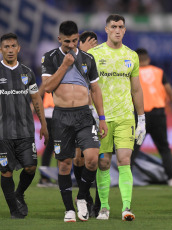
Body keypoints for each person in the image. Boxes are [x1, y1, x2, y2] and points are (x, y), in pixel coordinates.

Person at [41, 21, 108, 222]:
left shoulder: (88, 58)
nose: (72, 45)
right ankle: (69, 209)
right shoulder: (50, 58)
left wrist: (102, 118)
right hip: (61, 115)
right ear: (59, 39)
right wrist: (64, 65)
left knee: (92, 159)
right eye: (68, 41)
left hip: (84, 115)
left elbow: (95, 90)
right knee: (64, 165)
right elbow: (47, 87)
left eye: (75, 40)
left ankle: (81, 197)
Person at [88, 14, 146, 221]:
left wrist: (142, 119)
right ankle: (103, 207)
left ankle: (126, 208)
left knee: (124, 160)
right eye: (114, 26)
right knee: (103, 163)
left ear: (125, 30)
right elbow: (88, 87)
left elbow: (137, 90)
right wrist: (92, 112)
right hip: (101, 118)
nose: (118, 30)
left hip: (124, 117)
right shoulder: (94, 54)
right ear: (106, 29)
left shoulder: (132, 56)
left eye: (121, 26)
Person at [0, 33, 49, 219]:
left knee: (30, 168)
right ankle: (14, 210)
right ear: (1, 50)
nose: (10, 50)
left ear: (19, 48)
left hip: (25, 130)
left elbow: (36, 98)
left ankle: (19, 193)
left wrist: (43, 124)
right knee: (6, 171)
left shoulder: (27, 72)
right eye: (6, 47)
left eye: (13, 46)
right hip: (2, 133)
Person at [131, 48, 172, 186]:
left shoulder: (133, 73)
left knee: (133, 148)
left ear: (136, 60)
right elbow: (170, 92)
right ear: (148, 59)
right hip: (158, 115)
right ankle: (171, 178)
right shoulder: (159, 72)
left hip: (140, 115)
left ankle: (128, 178)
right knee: (164, 147)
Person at [73, 30, 101, 217]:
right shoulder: (74, 59)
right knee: (78, 158)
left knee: (98, 159)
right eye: (90, 43)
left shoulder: (101, 59)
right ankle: (85, 196)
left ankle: (98, 202)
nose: (94, 47)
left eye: (96, 43)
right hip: (78, 112)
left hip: (101, 113)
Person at [36, 90, 56, 187]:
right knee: (53, 146)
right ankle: (44, 178)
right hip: (52, 112)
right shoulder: (52, 76)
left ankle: (46, 178)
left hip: (52, 112)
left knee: (53, 146)